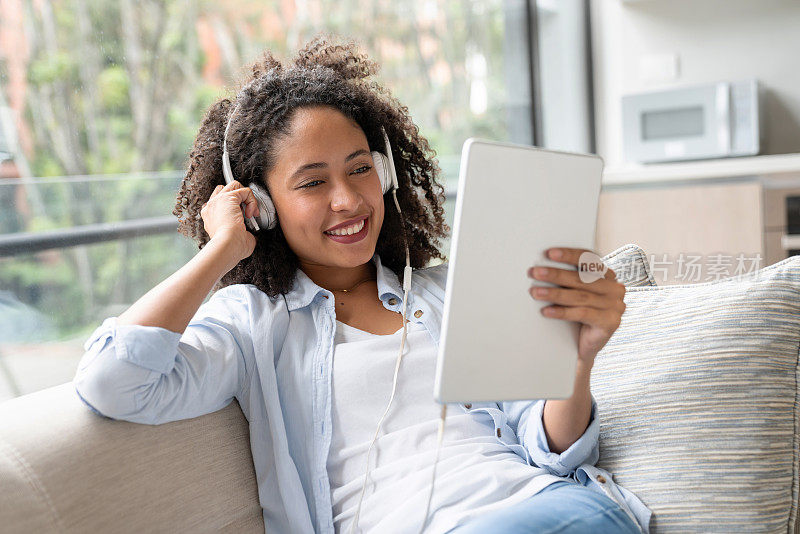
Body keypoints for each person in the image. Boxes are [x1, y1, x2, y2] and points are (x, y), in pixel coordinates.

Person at [73, 33, 650, 534]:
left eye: (358, 168)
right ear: (262, 206)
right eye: (312, 183)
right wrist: (222, 249)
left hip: (548, 511)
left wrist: (573, 362)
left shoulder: (449, 292)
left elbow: (552, 455)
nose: (348, 200)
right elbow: (112, 379)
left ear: (386, 172)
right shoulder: (252, 323)